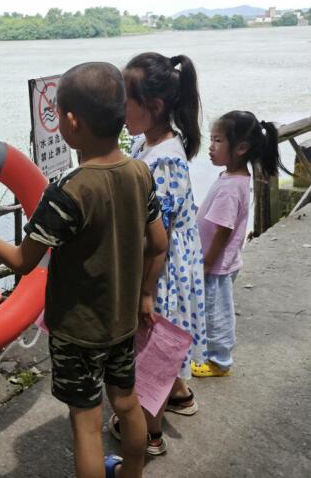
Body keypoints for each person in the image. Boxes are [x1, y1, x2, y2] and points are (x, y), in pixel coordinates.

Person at [0, 62, 167, 478]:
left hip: (78, 332)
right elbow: (158, 242)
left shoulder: (69, 192)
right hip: (122, 323)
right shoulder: (141, 173)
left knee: (86, 423)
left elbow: (22, 261)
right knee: (127, 402)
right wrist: (144, 292)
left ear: (70, 122)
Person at [109, 52, 206, 455]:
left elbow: (157, 236)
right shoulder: (149, 141)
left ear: (155, 106)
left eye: (125, 100)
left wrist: (145, 290)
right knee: (165, 338)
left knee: (150, 347)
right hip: (168, 262)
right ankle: (180, 394)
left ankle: (149, 432)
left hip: (161, 268)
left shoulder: (162, 161)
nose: (119, 109)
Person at [191, 111, 281, 377]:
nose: (211, 147)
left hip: (217, 263)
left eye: (218, 140)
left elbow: (223, 229)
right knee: (212, 309)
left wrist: (207, 263)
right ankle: (210, 354)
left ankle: (219, 361)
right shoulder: (233, 178)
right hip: (219, 260)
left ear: (241, 148)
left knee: (216, 313)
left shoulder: (231, 187)